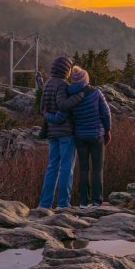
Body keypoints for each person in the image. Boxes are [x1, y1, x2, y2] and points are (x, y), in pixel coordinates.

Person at [37, 57, 87, 210]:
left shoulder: (47, 84)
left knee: (52, 167)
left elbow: (42, 109)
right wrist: (79, 96)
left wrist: (48, 117)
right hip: (66, 132)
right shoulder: (62, 85)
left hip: (52, 132)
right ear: (65, 70)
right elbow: (63, 105)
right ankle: (63, 204)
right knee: (66, 168)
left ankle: (44, 205)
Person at [59, 66, 112, 208]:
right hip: (97, 135)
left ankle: (83, 202)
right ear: (86, 79)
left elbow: (68, 115)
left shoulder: (70, 94)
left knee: (83, 169)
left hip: (80, 136)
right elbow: (106, 113)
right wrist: (107, 130)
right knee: (97, 169)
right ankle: (96, 201)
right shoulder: (96, 93)